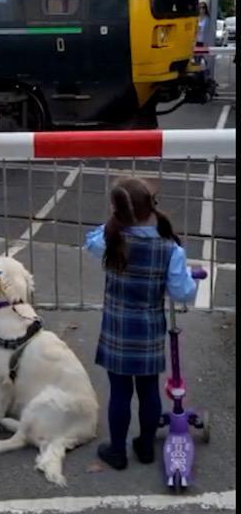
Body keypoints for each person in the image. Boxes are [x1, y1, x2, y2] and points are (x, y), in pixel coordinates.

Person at [84, 177, 197, 470]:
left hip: (116, 328)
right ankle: (145, 446)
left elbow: (91, 241)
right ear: (151, 206)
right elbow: (182, 291)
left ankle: (117, 451)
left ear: (116, 210)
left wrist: (114, 219)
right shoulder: (170, 248)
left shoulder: (109, 239)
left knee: (119, 392)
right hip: (148, 330)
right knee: (148, 390)